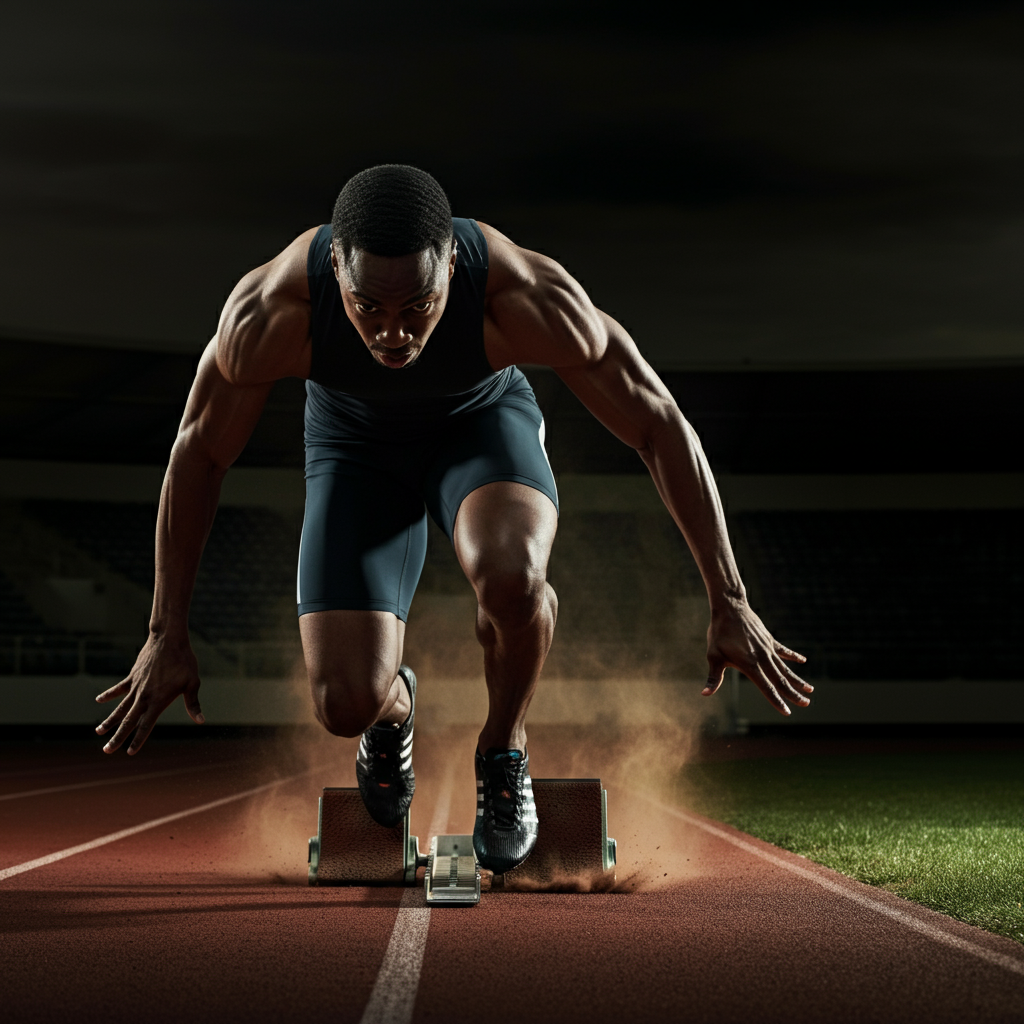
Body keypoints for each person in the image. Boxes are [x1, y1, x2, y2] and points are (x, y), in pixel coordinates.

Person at [95, 164, 812, 872]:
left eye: (417, 308)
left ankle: (503, 750)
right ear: (337, 272)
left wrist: (730, 598)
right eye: (368, 309)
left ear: (453, 268)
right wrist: (166, 629)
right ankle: (393, 709)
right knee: (345, 704)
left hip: (480, 427)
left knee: (513, 576)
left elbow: (657, 421)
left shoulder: (521, 294)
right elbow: (199, 455)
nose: (393, 335)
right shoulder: (270, 311)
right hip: (354, 450)